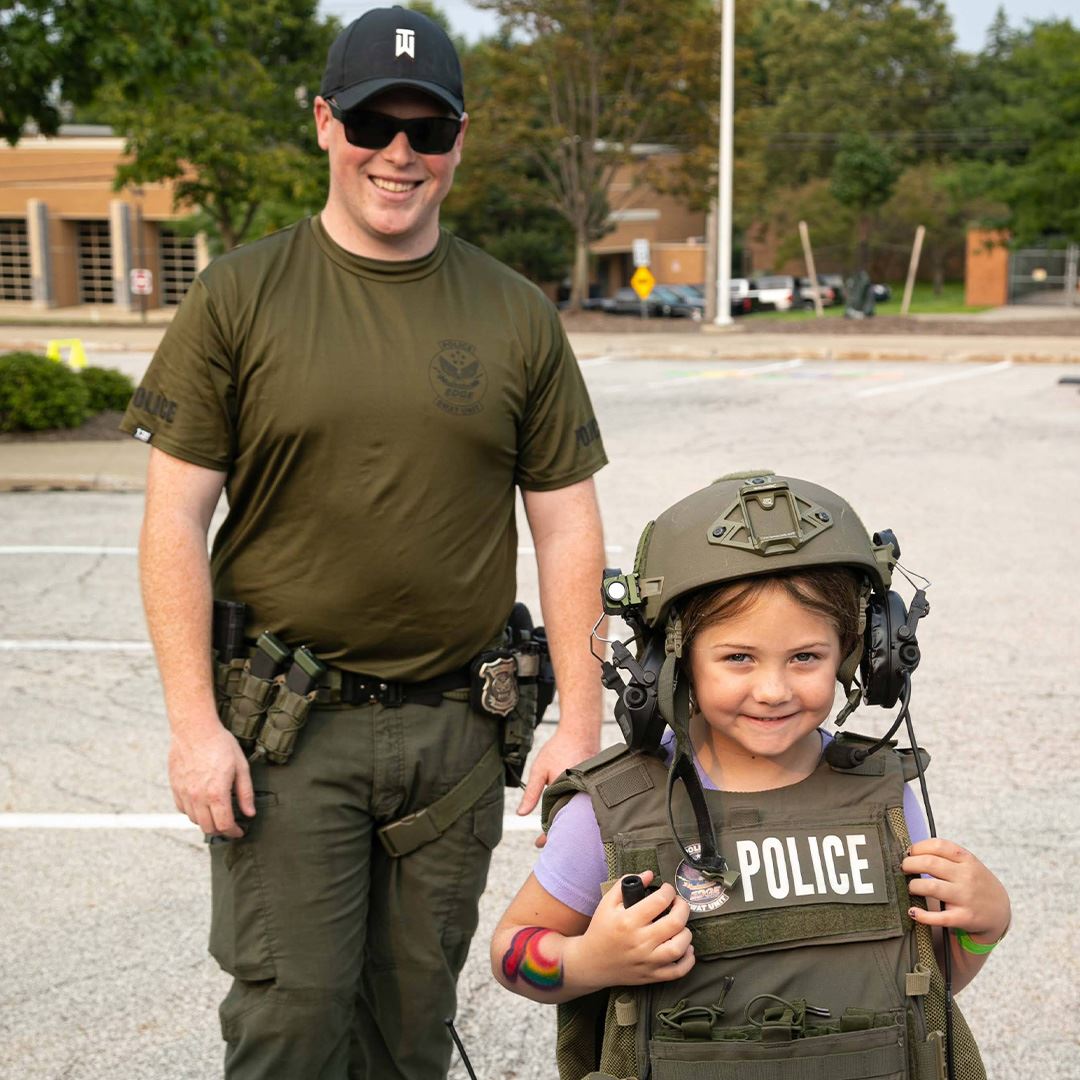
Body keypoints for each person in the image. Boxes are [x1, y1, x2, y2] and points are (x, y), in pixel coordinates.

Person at [121, 7, 607, 1078]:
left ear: (458, 140)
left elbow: (566, 518)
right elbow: (172, 520)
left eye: (425, 131)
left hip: (455, 733)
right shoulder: (240, 296)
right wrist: (194, 727)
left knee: (410, 1032)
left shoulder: (515, 313)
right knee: (292, 1025)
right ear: (323, 123)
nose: (398, 154)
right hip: (288, 737)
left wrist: (581, 716)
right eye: (371, 123)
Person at [491, 470, 1010, 1080]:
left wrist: (984, 927)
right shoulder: (614, 811)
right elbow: (511, 952)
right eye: (738, 657)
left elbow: (926, 987)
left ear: (862, 653)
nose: (773, 690)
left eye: (806, 657)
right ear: (671, 660)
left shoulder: (885, 797)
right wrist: (588, 962)